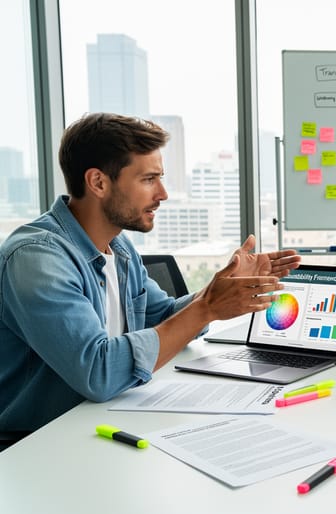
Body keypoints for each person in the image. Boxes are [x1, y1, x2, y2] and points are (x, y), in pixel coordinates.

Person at [0, 113, 301, 442]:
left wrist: (218, 290)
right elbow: (98, 372)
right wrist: (209, 307)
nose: (163, 193)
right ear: (98, 182)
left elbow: (165, 317)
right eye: (148, 179)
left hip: (101, 423)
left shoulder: (118, 247)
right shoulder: (37, 259)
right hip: (36, 443)